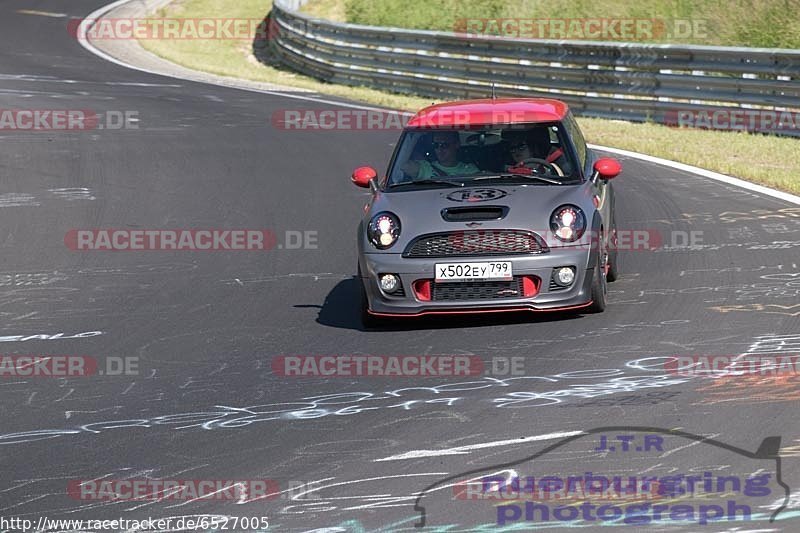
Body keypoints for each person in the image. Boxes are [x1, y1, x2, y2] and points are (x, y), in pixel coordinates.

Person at [401, 131, 479, 180]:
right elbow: (402, 165)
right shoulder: (425, 167)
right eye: (436, 145)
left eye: (444, 145)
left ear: (456, 145)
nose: (439, 149)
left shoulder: (469, 170)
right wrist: (416, 135)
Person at [503, 128, 573, 176]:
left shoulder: (555, 160)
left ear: (531, 148)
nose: (516, 151)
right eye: (512, 149)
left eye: (521, 147)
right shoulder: (502, 172)